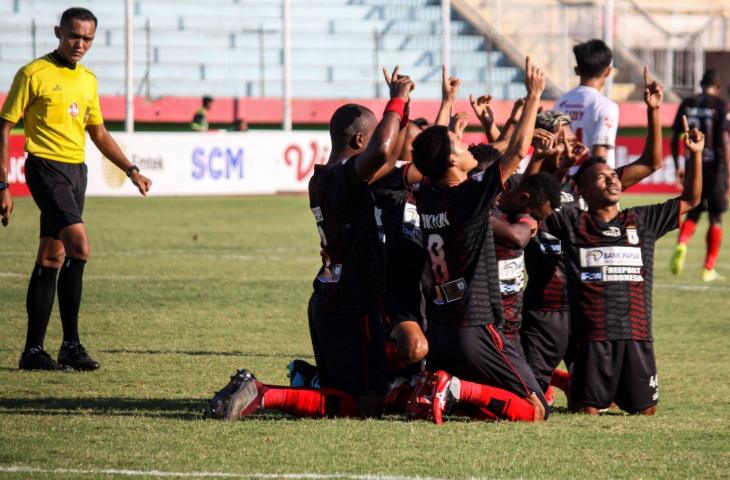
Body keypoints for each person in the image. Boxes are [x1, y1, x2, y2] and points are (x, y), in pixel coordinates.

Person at [202, 70, 414, 421]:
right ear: (361, 140)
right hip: (352, 300)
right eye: (375, 134)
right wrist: (396, 99)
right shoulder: (344, 178)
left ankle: (307, 378)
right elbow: (383, 151)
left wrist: (401, 114)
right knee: (365, 407)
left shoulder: (326, 177)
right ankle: (264, 393)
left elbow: (386, 157)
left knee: (345, 393)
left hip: (330, 298)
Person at [0, 7, 152, 371]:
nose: (80, 43)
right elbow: (3, 127)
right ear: (58, 32)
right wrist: (2, 184)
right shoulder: (33, 73)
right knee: (79, 246)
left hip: (75, 172)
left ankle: (33, 352)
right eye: (74, 35)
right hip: (44, 167)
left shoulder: (88, 80)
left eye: (87, 38)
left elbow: (97, 133)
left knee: (52, 257)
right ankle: (71, 344)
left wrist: (131, 169)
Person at [408, 58, 550, 423]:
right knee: (536, 411)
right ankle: (455, 388)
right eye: (460, 144)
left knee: (489, 409)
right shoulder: (467, 196)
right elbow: (516, 153)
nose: (470, 148)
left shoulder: (427, 193)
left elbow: (430, 153)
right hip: (475, 326)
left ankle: (453, 388)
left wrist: (445, 104)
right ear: (453, 161)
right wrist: (534, 96)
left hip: (440, 330)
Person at [541, 115, 703, 415]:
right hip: (592, 338)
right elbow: (538, 201)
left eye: (613, 175)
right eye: (601, 177)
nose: (612, 179)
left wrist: (694, 154)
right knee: (585, 412)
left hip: (637, 335)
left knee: (645, 412)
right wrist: (555, 165)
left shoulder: (642, 221)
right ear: (583, 190)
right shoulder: (573, 222)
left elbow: (691, 200)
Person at [520, 68, 666, 400]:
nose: (573, 144)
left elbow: (652, 163)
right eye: (564, 139)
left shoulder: (591, 183)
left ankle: (564, 381)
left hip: (587, 309)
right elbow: (537, 201)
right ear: (542, 141)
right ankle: (548, 380)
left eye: (573, 138)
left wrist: (653, 111)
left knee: (600, 400)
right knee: (525, 396)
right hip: (544, 309)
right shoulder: (526, 187)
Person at [670, 69, 730, 282]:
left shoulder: (687, 103)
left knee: (693, 211)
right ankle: (708, 268)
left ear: (700, 83)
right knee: (715, 217)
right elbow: (724, 139)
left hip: (692, 166)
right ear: (718, 87)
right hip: (716, 169)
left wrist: (678, 164)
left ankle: (682, 244)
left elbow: (674, 135)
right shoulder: (721, 106)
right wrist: (729, 174)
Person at [556, 39, 619, 167]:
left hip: (563, 180)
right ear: (608, 71)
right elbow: (600, 153)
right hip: (589, 182)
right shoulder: (606, 106)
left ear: (577, 70)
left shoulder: (561, 102)